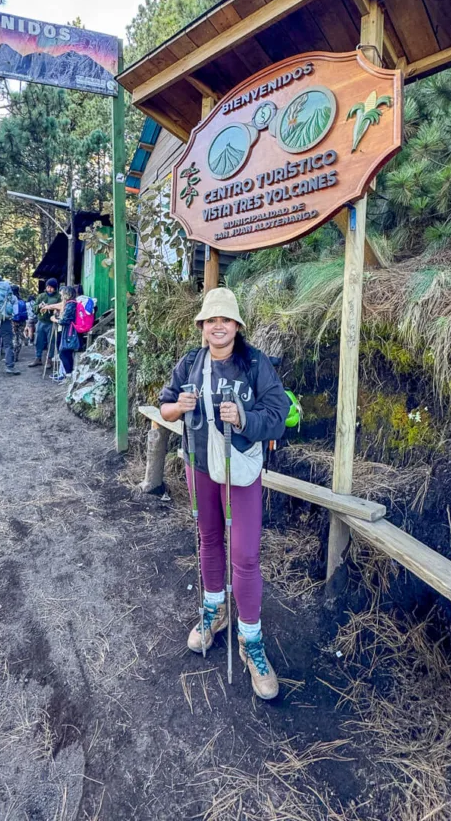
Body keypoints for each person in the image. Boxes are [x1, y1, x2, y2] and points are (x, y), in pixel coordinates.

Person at [159, 287, 290, 700]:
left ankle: (250, 639)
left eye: (225, 320)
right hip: (199, 465)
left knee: (246, 555)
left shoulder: (254, 364)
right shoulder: (190, 364)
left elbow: (279, 413)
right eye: (210, 320)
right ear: (202, 326)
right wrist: (178, 407)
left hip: (240, 470)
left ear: (236, 326)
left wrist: (246, 418)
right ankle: (215, 611)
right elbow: (165, 409)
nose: (218, 326)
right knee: (209, 540)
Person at [29, 278, 61, 368]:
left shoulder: (58, 297)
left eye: (51, 287)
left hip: (51, 322)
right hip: (41, 322)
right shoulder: (41, 296)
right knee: (38, 340)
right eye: (48, 287)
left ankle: (49, 359)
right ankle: (38, 358)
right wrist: (39, 306)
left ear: (55, 288)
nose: (49, 289)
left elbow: (61, 307)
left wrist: (53, 309)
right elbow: (34, 308)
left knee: (51, 341)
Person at [51, 285, 78, 380]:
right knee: (66, 352)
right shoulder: (73, 303)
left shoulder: (70, 304)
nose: (61, 296)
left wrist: (55, 319)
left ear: (66, 294)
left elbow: (64, 321)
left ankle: (68, 375)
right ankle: (68, 374)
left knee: (63, 352)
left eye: (62, 294)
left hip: (69, 331)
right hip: (71, 330)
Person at [11, 285, 28, 362]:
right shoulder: (22, 300)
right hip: (22, 321)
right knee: (20, 336)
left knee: (14, 337)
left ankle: (13, 355)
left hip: (13, 321)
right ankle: (16, 354)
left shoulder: (11, 300)